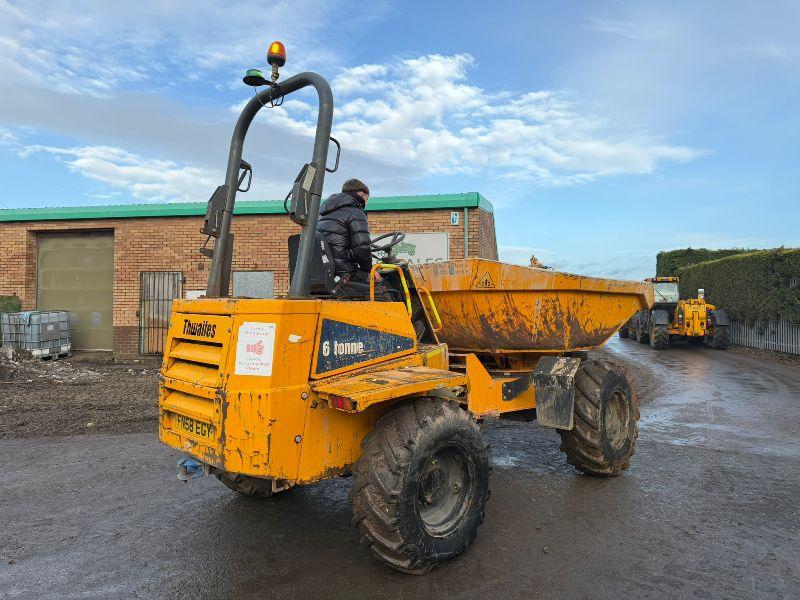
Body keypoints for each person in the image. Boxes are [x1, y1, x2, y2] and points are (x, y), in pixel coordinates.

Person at [316, 178, 382, 297]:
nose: (366, 203)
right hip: (344, 271)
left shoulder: (323, 214)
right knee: (384, 286)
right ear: (361, 194)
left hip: (325, 271)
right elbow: (362, 248)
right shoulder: (355, 212)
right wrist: (369, 271)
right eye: (367, 199)